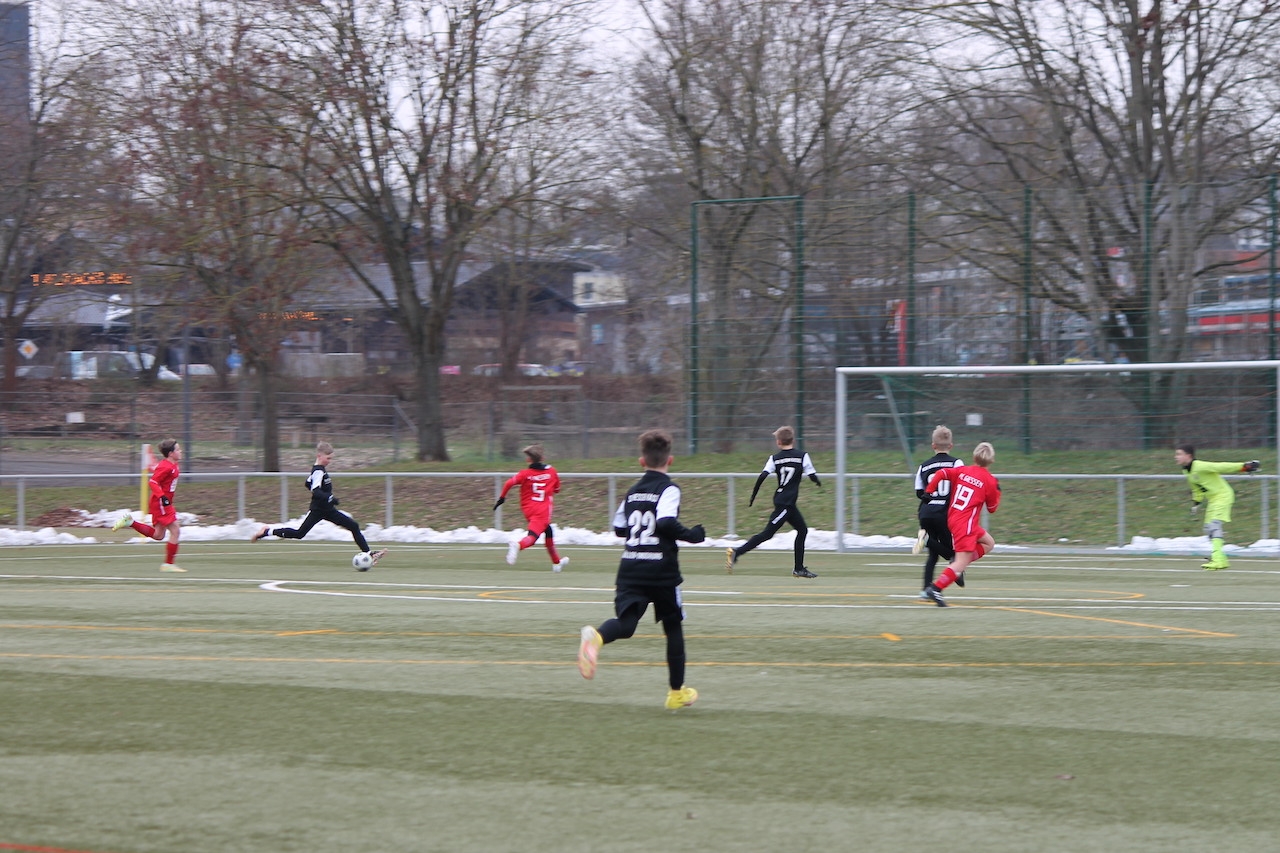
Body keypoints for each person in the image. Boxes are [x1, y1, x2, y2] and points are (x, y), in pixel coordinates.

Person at [577, 429, 706, 710]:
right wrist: (693, 535)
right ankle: (676, 693)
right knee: (673, 628)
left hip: (631, 568)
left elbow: (619, 528)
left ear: (641, 461)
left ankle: (597, 637)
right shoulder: (669, 489)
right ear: (669, 460)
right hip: (661, 571)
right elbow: (666, 522)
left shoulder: (633, 491)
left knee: (626, 624)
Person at [251, 441, 387, 570]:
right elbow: (316, 491)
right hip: (318, 510)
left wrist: (327, 498)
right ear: (319, 456)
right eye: (328, 458)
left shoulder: (319, 470)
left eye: (331, 458)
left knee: (354, 526)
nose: (329, 461)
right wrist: (330, 497)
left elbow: (308, 483)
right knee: (299, 534)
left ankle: (369, 554)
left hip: (328, 510)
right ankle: (267, 531)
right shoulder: (318, 471)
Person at [725, 425, 821, 578]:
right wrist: (817, 482)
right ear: (793, 440)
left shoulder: (774, 458)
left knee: (802, 530)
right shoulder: (802, 456)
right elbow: (812, 474)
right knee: (767, 533)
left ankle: (799, 568)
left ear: (778, 442)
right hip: (785, 504)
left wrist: (753, 496)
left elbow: (762, 476)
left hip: (785, 502)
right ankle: (736, 552)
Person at [920, 441, 1001, 607]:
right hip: (966, 524)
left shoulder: (963, 470)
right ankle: (935, 588)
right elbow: (992, 508)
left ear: (974, 457)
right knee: (960, 562)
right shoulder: (990, 481)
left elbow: (941, 473)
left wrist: (929, 491)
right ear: (992, 460)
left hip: (955, 518)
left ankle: (955, 565)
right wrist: (997, 492)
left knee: (988, 542)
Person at [1175, 445, 1260, 570]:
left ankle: (1218, 560)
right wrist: (1196, 503)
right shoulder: (1186, 470)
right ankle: (1221, 559)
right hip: (1213, 499)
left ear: (1188, 456)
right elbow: (1197, 488)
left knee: (1214, 526)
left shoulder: (1199, 465)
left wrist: (1243, 466)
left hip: (1223, 495)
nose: (1176, 457)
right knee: (1208, 529)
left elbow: (1220, 466)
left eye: (1179, 454)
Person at [112, 437, 187, 572]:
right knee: (176, 531)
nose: (180, 451)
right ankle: (168, 565)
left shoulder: (172, 464)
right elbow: (153, 482)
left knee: (159, 535)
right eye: (177, 449)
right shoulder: (166, 466)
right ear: (171, 453)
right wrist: (163, 497)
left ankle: (130, 522)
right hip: (161, 503)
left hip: (163, 502)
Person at [494, 444, 568, 571]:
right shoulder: (551, 471)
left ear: (528, 460)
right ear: (543, 458)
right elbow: (557, 489)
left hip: (528, 509)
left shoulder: (524, 474)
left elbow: (509, 483)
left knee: (548, 530)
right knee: (533, 538)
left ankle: (556, 563)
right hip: (542, 511)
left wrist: (502, 498)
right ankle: (517, 545)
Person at [913, 425, 965, 592]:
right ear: (951, 446)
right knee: (953, 552)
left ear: (933, 445)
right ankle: (956, 570)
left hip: (926, 512)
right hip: (945, 513)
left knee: (933, 555)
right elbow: (960, 487)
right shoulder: (957, 463)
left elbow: (920, 492)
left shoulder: (923, 466)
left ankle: (925, 590)